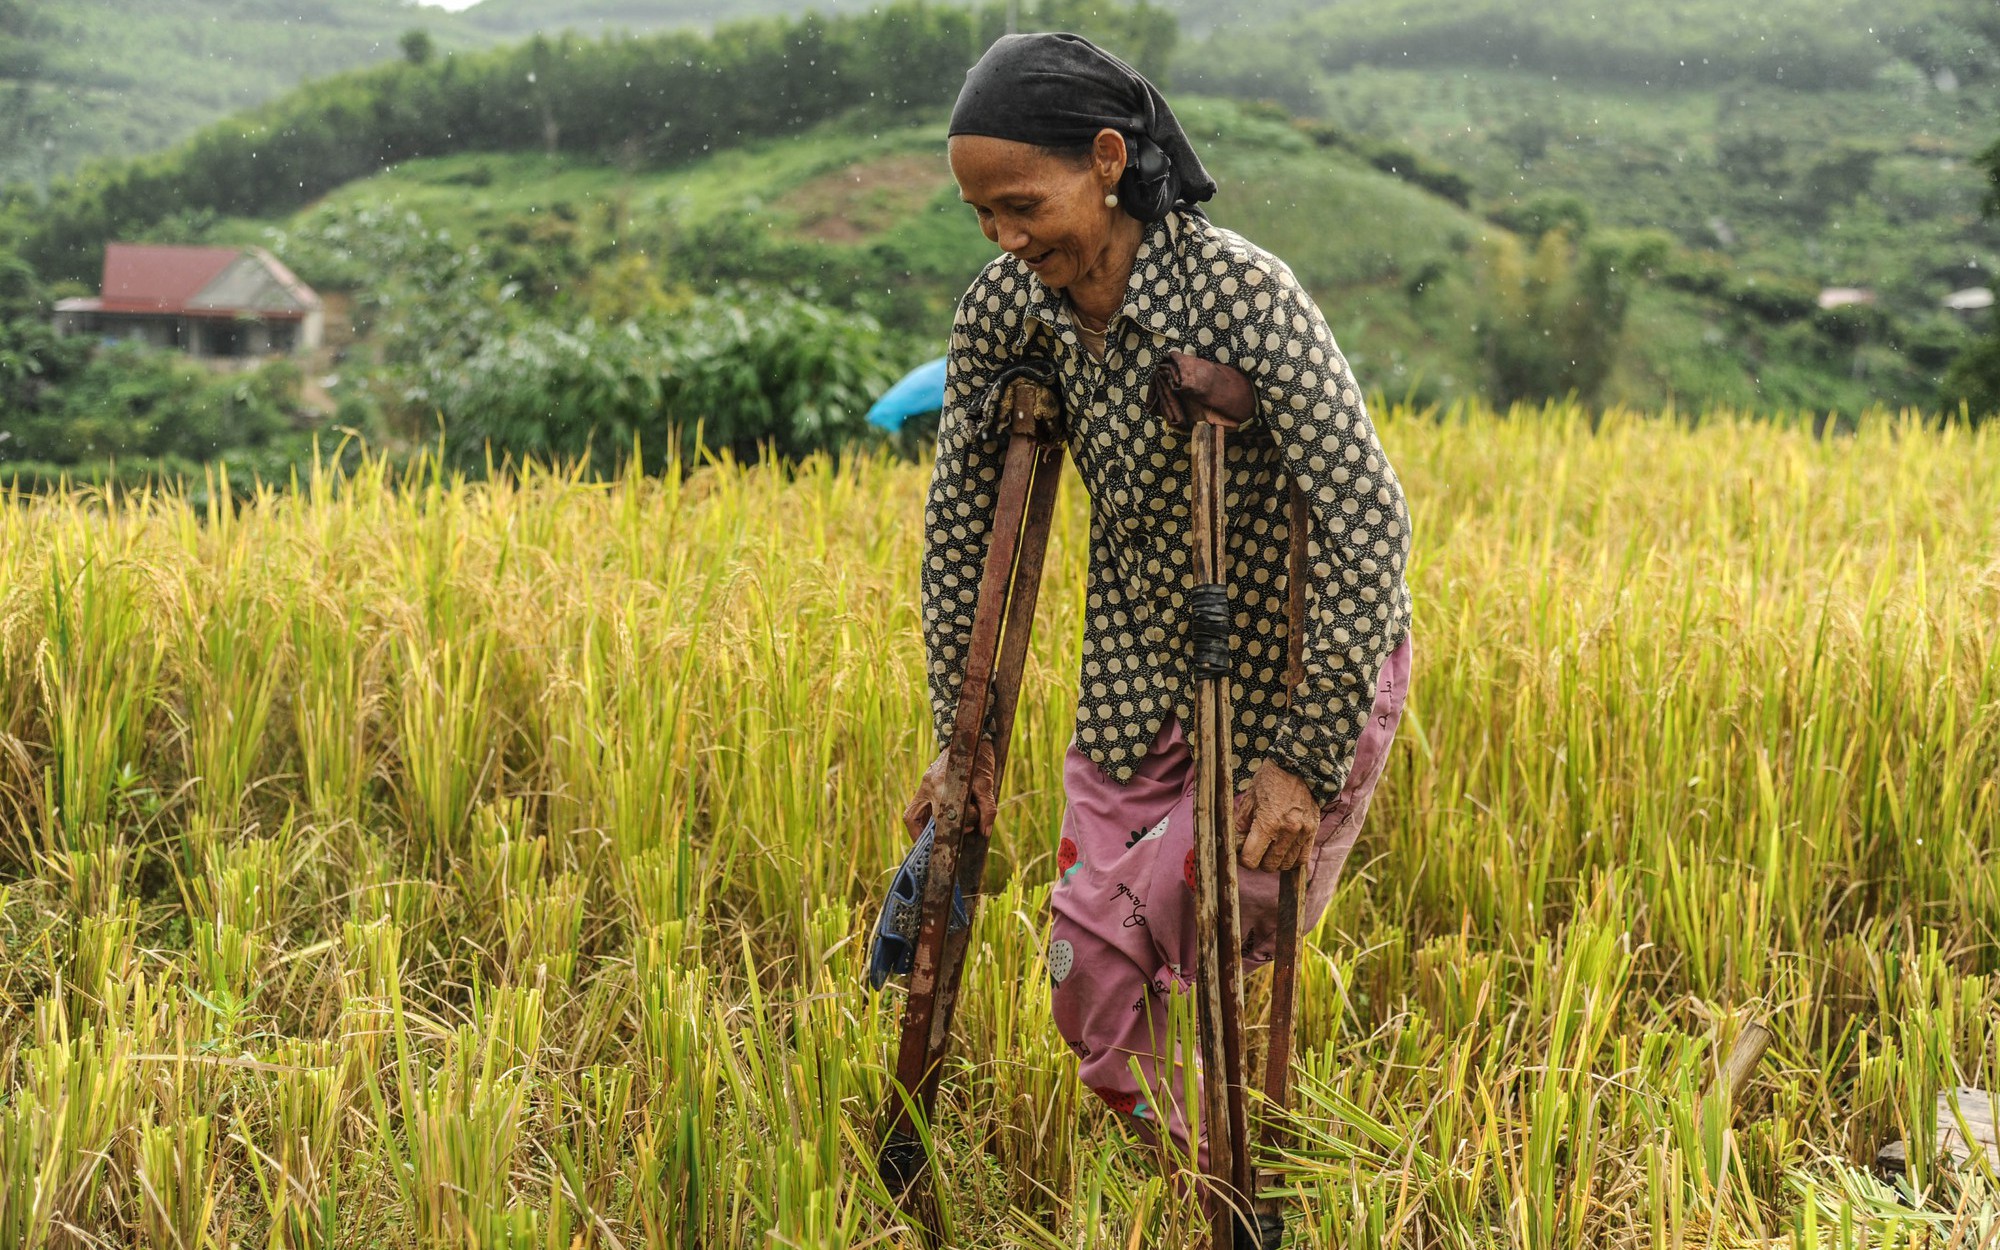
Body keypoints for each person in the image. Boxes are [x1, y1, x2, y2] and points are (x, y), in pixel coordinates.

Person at [903, 31, 1413, 1247]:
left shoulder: (1240, 292)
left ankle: (1238, 1200)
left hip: (1290, 675)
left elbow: (1363, 516)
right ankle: (1227, 1195)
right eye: (980, 214)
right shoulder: (1005, 310)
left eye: (1020, 205)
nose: (1002, 238)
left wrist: (1302, 752)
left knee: (1212, 948)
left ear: (1108, 159)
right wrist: (958, 740)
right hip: (1135, 680)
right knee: (1089, 978)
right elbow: (962, 526)